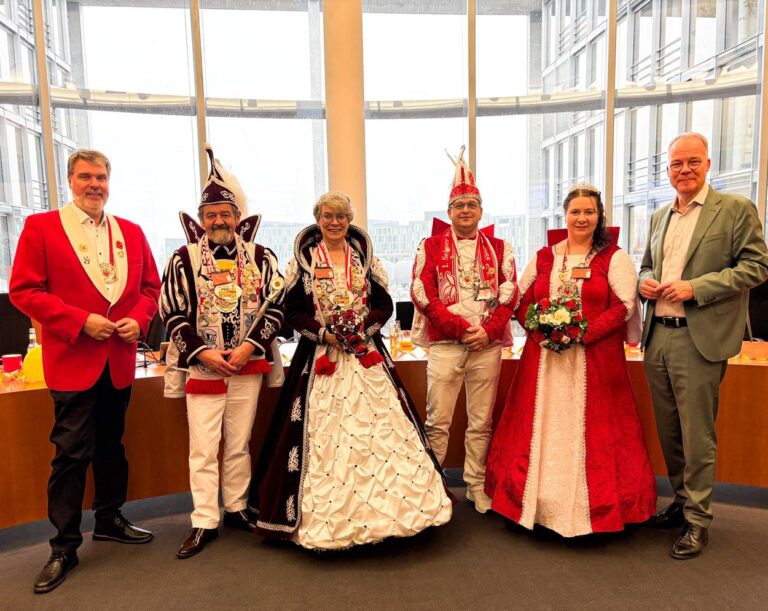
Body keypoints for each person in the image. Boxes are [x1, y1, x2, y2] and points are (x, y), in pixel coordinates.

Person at [249, 192, 452, 550]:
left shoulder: (363, 257)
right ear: (318, 218)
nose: (334, 222)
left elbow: (384, 303)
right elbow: (293, 310)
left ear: (349, 220)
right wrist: (324, 332)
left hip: (363, 352)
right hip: (321, 354)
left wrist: (362, 327)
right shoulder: (306, 260)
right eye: (328, 216)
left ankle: (394, 513)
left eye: (341, 216)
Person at [9, 149, 160, 594]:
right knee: (71, 454)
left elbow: (150, 287)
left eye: (101, 177)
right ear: (70, 181)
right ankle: (63, 546)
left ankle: (110, 517)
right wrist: (78, 320)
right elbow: (24, 290)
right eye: (85, 177)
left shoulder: (130, 232)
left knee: (113, 444)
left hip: (117, 361)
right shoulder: (41, 228)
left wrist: (141, 317)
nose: (94, 184)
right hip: (73, 359)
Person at [485, 184, 657, 537]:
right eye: (575, 212)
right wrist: (541, 328)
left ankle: (593, 510)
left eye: (589, 212)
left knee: (593, 431)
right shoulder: (545, 256)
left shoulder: (614, 258)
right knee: (541, 424)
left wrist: (580, 333)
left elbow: (624, 306)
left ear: (599, 217)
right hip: (545, 361)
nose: (582, 218)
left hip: (594, 360)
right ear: (564, 216)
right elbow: (520, 299)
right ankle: (535, 504)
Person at [639, 133, 768, 559]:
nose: (684, 171)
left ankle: (698, 521)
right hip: (658, 337)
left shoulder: (733, 210)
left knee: (698, 435)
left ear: (708, 164)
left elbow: (756, 266)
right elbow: (646, 266)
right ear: (668, 171)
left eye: (692, 162)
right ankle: (680, 501)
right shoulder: (660, 216)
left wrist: (697, 287)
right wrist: (644, 283)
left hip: (699, 341)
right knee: (671, 432)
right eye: (676, 164)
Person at [160, 145, 285, 558]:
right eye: (210, 215)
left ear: (237, 218)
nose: (218, 221)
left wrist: (250, 346)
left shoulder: (262, 258)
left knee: (238, 441)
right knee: (203, 445)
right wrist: (203, 354)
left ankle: (234, 507)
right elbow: (171, 312)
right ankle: (203, 519)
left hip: (247, 366)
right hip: (204, 369)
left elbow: (278, 306)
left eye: (225, 214)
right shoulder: (183, 260)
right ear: (201, 220)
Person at [410, 147, 518, 513]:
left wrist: (487, 331)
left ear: (481, 211)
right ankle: (433, 485)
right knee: (437, 420)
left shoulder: (501, 248)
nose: (466, 211)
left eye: (472, 205)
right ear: (450, 212)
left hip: (486, 346)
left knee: (481, 421)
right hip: (445, 344)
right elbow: (422, 293)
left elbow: (510, 294)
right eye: (460, 206)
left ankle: (475, 483)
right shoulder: (430, 246)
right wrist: (459, 328)